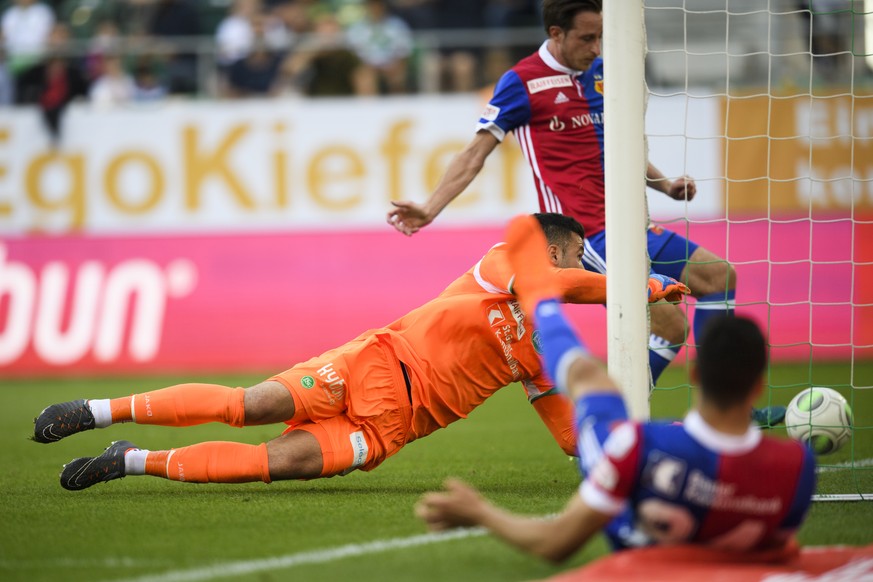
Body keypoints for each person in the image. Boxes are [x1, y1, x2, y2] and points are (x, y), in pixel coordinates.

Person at [31, 213, 690, 492]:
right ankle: (97, 410)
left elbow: (566, 432)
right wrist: (645, 285)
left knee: (276, 463)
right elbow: (557, 283)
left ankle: (132, 461)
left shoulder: (544, 349)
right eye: (577, 252)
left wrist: (629, 446)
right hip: (374, 363)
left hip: (393, 427)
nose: (582, 263)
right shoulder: (504, 262)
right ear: (553, 246)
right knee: (251, 404)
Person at [386, 0, 767, 422]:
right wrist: (429, 208)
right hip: (585, 236)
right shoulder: (522, 82)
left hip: (631, 224)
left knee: (719, 277)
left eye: (601, 36)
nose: (597, 47)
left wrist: (664, 184)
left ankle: (725, 403)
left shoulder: (603, 72)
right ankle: (611, 424)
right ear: (556, 34)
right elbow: (475, 152)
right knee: (670, 325)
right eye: (587, 38)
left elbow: (619, 145)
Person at [416, 214, 817, 561]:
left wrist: (481, 512)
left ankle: (550, 313)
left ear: (695, 375)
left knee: (589, 383)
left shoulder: (638, 449)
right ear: (760, 385)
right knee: (604, 368)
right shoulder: (798, 468)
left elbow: (555, 542)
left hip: (648, 559)